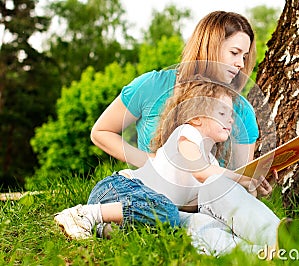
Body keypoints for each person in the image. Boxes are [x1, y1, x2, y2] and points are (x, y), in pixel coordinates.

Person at [59, 10, 281, 255]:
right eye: (234, 53)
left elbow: (229, 184)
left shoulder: (239, 109)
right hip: (127, 194)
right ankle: (96, 218)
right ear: (210, 48)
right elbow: (101, 131)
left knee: (199, 219)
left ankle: (271, 248)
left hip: (177, 212)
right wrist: (151, 161)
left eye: (245, 56)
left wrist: (253, 182)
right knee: (166, 210)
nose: (241, 64)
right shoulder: (156, 90)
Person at [54, 78, 279, 250]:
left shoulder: (210, 160)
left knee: (186, 222)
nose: (230, 119)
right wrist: (241, 177)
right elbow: (202, 172)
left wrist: (252, 188)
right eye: (222, 112)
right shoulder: (187, 135)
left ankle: (264, 249)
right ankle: (85, 214)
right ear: (196, 117)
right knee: (167, 213)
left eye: (231, 114)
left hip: (140, 211)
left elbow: (196, 203)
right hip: (119, 191)